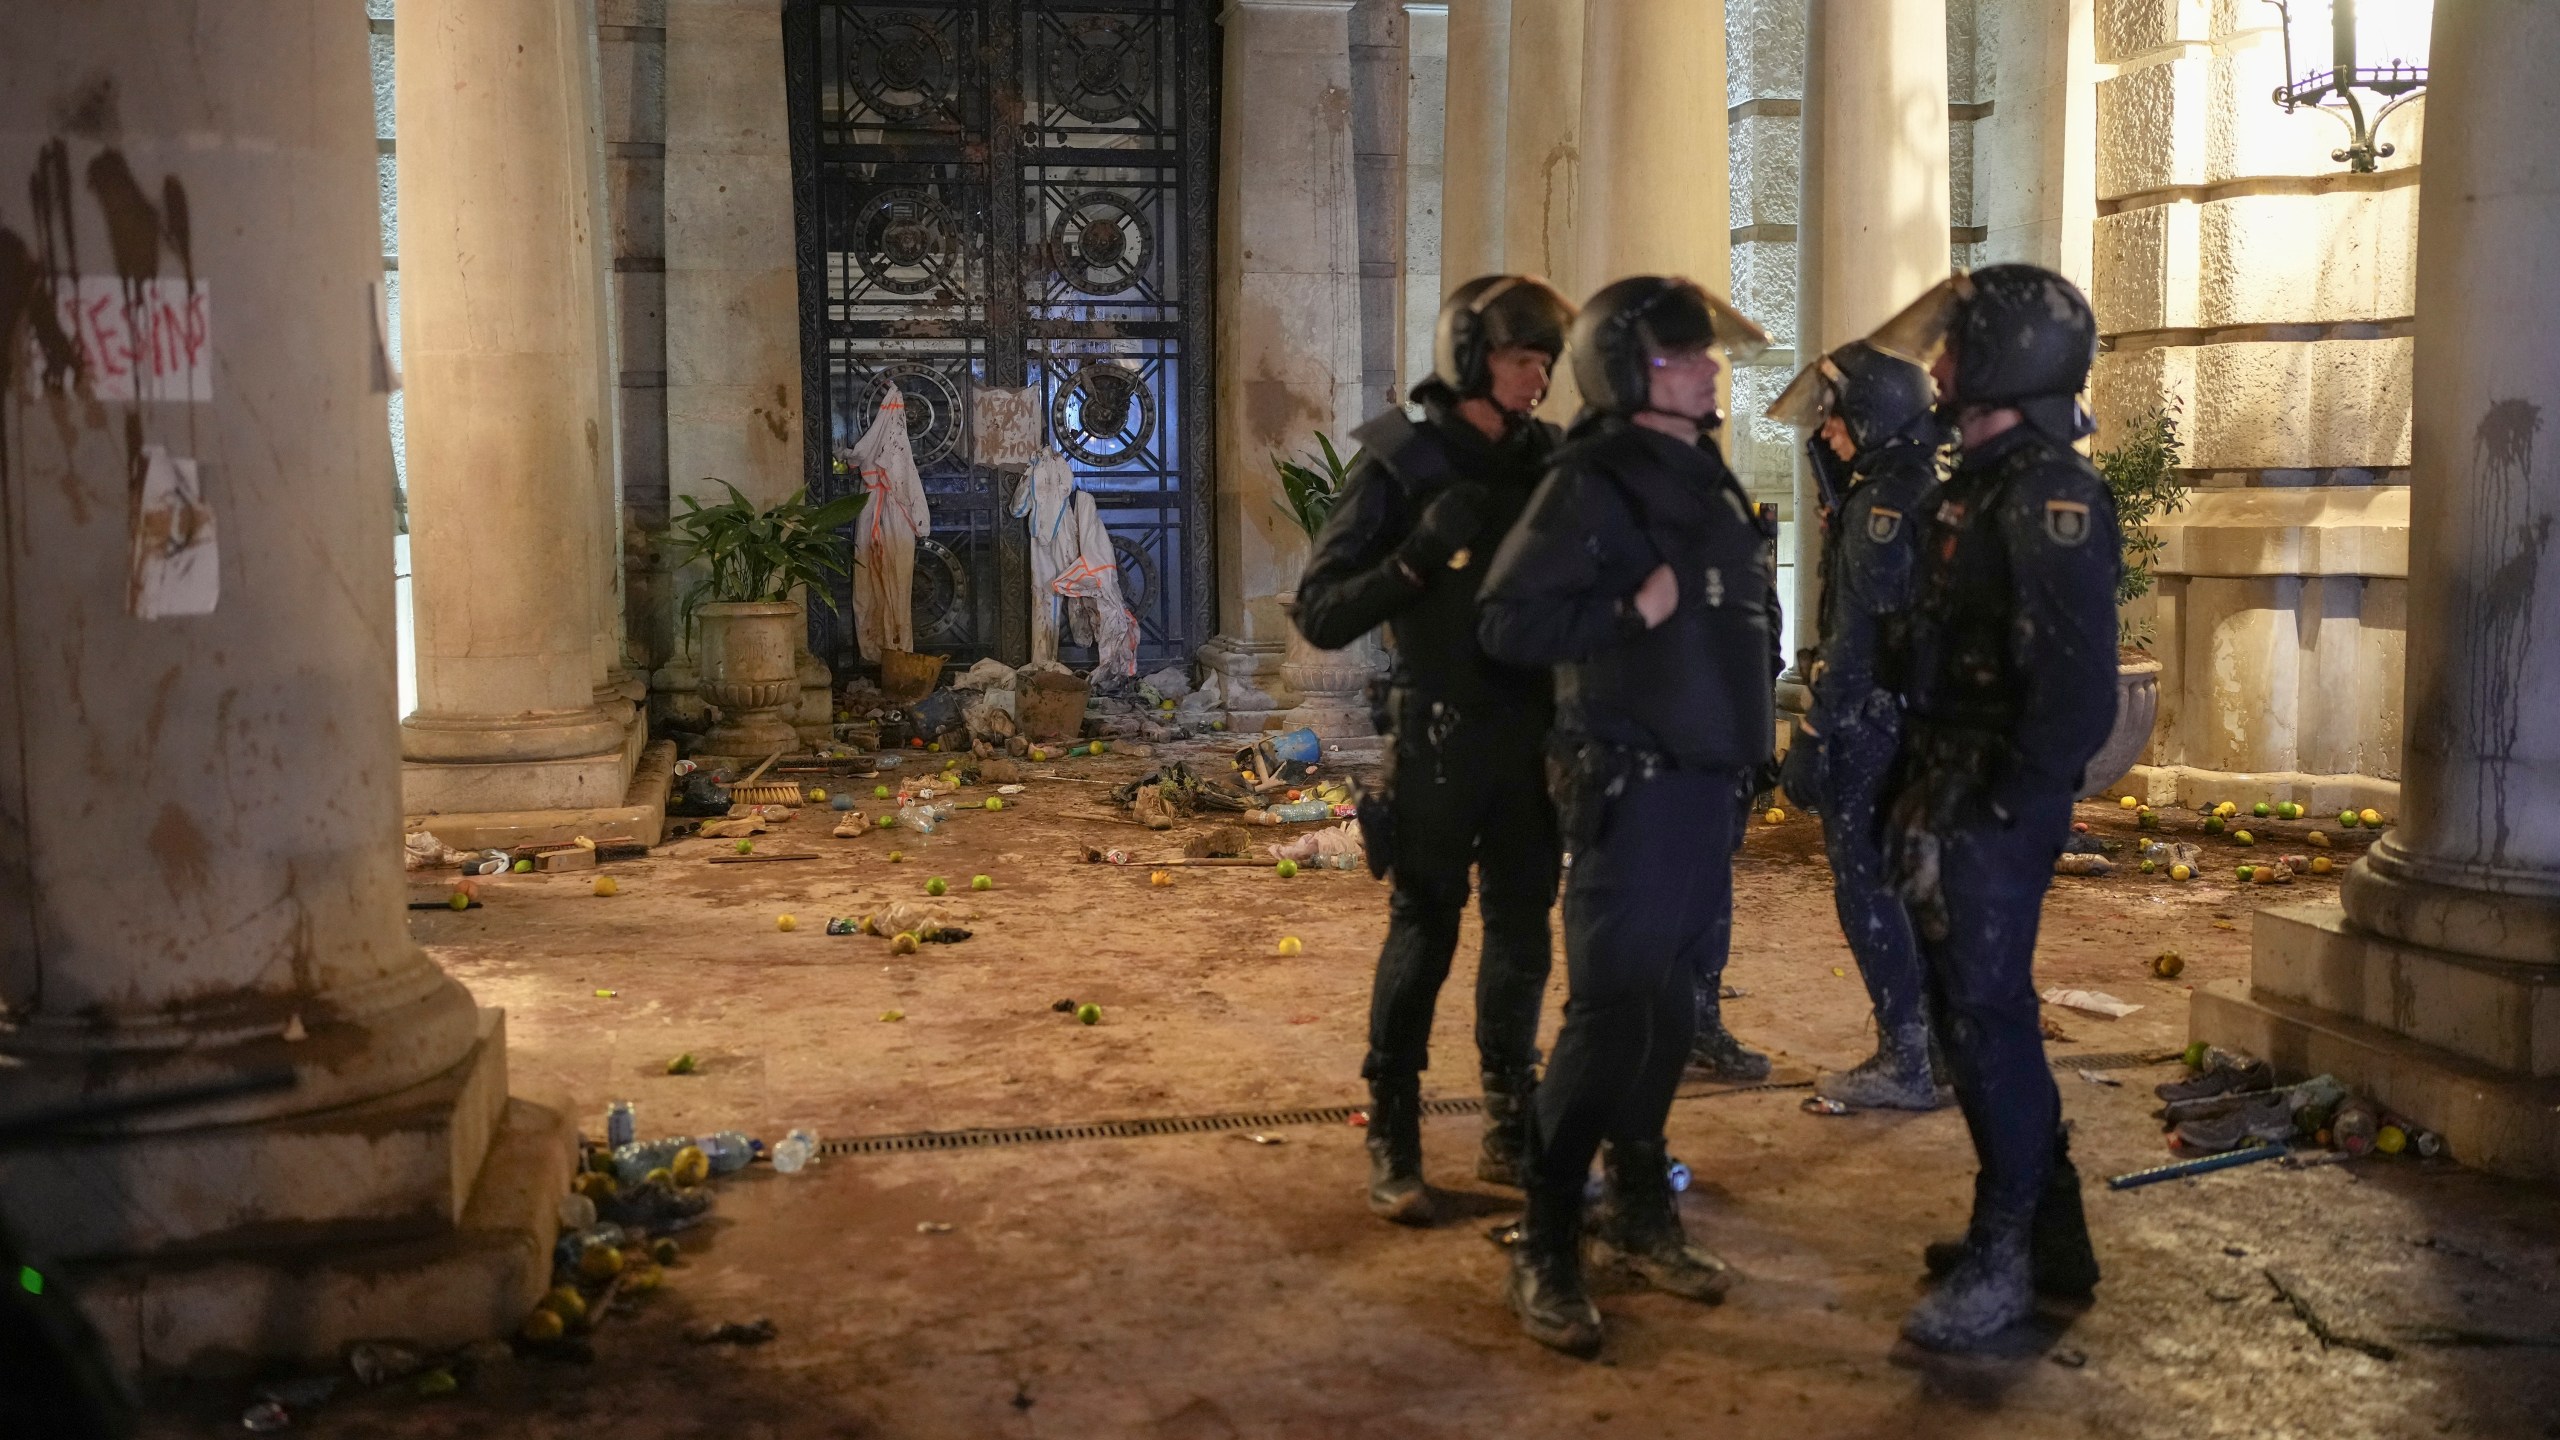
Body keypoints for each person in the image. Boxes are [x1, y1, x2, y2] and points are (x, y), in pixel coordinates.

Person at [1476, 275, 1776, 1356]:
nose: (1710, 372)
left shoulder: (1698, 469)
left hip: (1704, 786)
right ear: (1635, 370)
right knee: (1608, 1018)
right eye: (1689, 358)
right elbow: (1508, 618)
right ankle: (1547, 1239)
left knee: (1660, 1016)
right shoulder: (1592, 477)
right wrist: (1624, 611)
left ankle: (1641, 1209)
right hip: (1632, 787)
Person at [1293, 274, 1578, 1225]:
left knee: (1524, 932)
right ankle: (1395, 1133)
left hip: (1530, 741)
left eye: (1545, 359)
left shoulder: (1551, 462)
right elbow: (1322, 612)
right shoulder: (1401, 461)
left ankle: (1510, 1122)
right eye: (1518, 357)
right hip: (1438, 740)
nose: (1536, 377)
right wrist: (1413, 558)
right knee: (1424, 933)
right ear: (1469, 357)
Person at [1870, 264, 2117, 1352]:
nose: (1935, 363)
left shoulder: (2048, 495)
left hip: (1987, 810)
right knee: (1973, 1020)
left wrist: (2008, 816)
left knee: (1987, 1019)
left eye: (1955, 346)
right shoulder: (1974, 484)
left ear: (2009, 358)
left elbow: (2073, 695)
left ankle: (2006, 1256)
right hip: (1945, 788)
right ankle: (2049, 1238)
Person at [1769, 341, 1949, 1109]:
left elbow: (1855, 642)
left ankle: (1904, 1059)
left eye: (1837, 418)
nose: (1829, 431)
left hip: (1869, 725)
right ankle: (1934, 1051)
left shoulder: (1880, 508)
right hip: (1911, 721)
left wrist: (1813, 735)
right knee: (1910, 887)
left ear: (1874, 415)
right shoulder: (1908, 488)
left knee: (1867, 888)